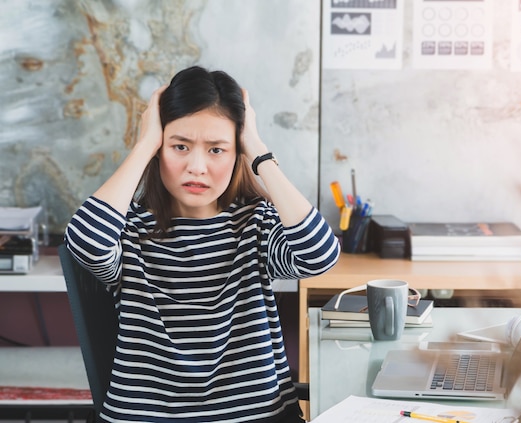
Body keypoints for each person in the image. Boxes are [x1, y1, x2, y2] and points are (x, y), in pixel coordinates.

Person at [65, 66, 340, 422]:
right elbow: (84, 244)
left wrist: (256, 150)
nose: (197, 167)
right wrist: (144, 144)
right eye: (179, 146)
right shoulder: (128, 230)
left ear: (235, 151)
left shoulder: (254, 224)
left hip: (254, 416)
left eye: (216, 150)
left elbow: (320, 256)